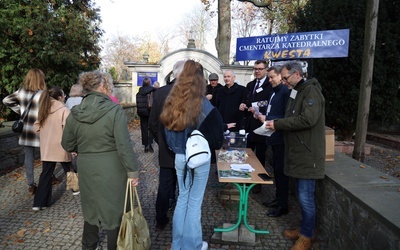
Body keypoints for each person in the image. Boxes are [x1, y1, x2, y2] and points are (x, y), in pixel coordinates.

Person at [61, 71, 139, 250]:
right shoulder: (114, 109)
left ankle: (88, 246)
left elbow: (67, 143)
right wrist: (133, 171)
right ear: (103, 86)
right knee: (114, 210)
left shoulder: (76, 112)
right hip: (112, 167)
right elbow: (124, 145)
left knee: (91, 207)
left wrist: (85, 148)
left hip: (87, 166)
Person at [160, 60, 224, 250]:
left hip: (179, 157)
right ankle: (194, 245)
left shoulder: (171, 102)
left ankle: (177, 244)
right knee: (194, 203)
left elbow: (166, 133)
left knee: (182, 199)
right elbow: (218, 137)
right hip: (198, 159)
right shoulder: (203, 104)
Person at [265, 61, 325, 250]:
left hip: (308, 155)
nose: (283, 82)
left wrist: (279, 124)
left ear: (297, 74)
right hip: (298, 153)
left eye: (285, 78)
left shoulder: (311, 91)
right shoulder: (296, 90)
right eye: (282, 78)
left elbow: (308, 119)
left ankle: (307, 235)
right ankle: (304, 229)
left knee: (306, 196)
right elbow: (290, 115)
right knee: (301, 196)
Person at [149, 60, 185, 231]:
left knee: (165, 184)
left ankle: (160, 219)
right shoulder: (189, 93)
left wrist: (162, 141)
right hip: (185, 148)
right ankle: (182, 219)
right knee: (184, 186)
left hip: (165, 148)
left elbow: (153, 124)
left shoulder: (159, 93)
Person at [32, 86, 78, 211]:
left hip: (47, 147)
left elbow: (36, 127)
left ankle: (39, 203)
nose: (65, 97)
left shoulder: (43, 110)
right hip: (62, 145)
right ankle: (76, 188)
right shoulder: (64, 110)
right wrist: (73, 147)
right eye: (63, 95)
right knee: (69, 167)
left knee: (46, 174)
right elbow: (70, 130)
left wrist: (45, 135)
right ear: (59, 97)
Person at [2, 68, 46, 195]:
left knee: (28, 156)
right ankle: (49, 177)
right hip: (40, 128)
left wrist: (19, 110)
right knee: (46, 155)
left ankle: (31, 185)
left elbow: (6, 100)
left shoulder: (21, 91)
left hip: (26, 129)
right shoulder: (43, 93)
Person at [257, 65, 290, 217]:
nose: (269, 80)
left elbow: (286, 117)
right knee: (277, 171)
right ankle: (278, 199)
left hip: (281, 139)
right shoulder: (274, 92)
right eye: (269, 77)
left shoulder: (285, 92)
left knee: (281, 172)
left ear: (279, 76)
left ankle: (283, 206)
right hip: (272, 137)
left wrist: (268, 119)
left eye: (272, 77)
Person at [239, 59, 273, 194]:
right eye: (255, 69)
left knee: (259, 156)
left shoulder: (269, 86)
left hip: (261, 127)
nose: (257, 71)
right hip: (249, 126)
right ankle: (246, 179)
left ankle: (257, 183)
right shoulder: (250, 84)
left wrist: (256, 107)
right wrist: (243, 105)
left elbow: (268, 103)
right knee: (247, 155)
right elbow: (246, 100)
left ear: (266, 70)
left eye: (260, 69)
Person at [136, 77, 156, 153]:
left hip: (142, 113)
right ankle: (150, 145)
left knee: (144, 129)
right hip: (151, 112)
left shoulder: (138, 93)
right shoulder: (153, 92)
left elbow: (138, 103)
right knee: (151, 129)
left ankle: (145, 146)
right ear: (149, 83)